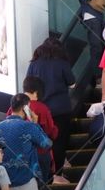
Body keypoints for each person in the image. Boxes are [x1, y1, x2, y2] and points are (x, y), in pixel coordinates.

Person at [25, 39, 74, 179]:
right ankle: (58, 175)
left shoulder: (34, 64)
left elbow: (28, 84)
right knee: (59, 141)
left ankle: (43, 176)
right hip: (61, 109)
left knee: (40, 142)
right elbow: (72, 82)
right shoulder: (62, 62)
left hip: (38, 110)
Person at [5, 76, 60, 182]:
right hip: (39, 153)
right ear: (36, 92)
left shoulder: (12, 108)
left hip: (17, 153)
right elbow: (51, 131)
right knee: (41, 185)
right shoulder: (42, 108)